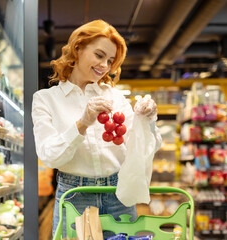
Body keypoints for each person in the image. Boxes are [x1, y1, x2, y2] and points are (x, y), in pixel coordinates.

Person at [32, 19, 162, 238]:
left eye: (110, 60)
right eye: (99, 55)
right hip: (75, 195)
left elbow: (143, 147)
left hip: (118, 193)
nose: (105, 65)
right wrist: (82, 123)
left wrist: (146, 121)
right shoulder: (46, 100)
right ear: (78, 48)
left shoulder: (115, 97)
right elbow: (49, 157)